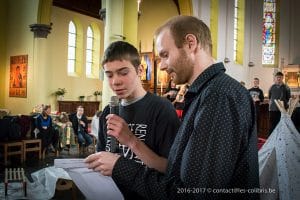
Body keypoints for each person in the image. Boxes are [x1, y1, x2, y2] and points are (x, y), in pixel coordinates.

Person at [86, 16, 259, 199]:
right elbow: (179, 171)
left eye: (165, 55)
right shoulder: (204, 94)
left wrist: (121, 166)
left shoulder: (219, 96)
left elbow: (193, 194)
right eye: (109, 75)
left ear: (190, 43)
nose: (161, 66)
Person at [90, 41, 180, 198]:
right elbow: (102, 158)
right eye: (109, 75)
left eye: (123, 73)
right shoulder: (108, 111)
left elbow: (170, 169)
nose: (115, 81)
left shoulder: (162, 109)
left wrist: (131, 140)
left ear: (140, 70)